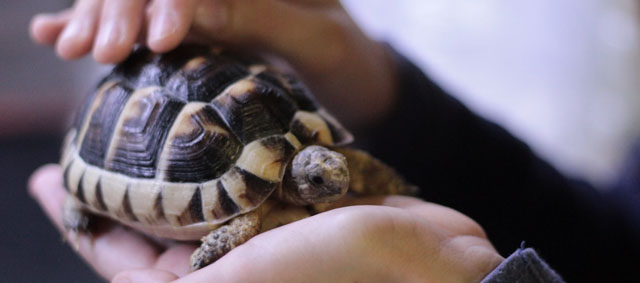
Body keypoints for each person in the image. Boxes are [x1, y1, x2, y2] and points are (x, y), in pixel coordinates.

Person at [28, 0, 639, 282]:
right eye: (322, 179)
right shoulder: (281, 184)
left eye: (329, 174)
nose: (337, 180)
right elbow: (615, 247)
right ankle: (83, 192)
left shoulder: (309, 175)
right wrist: (379, 86)